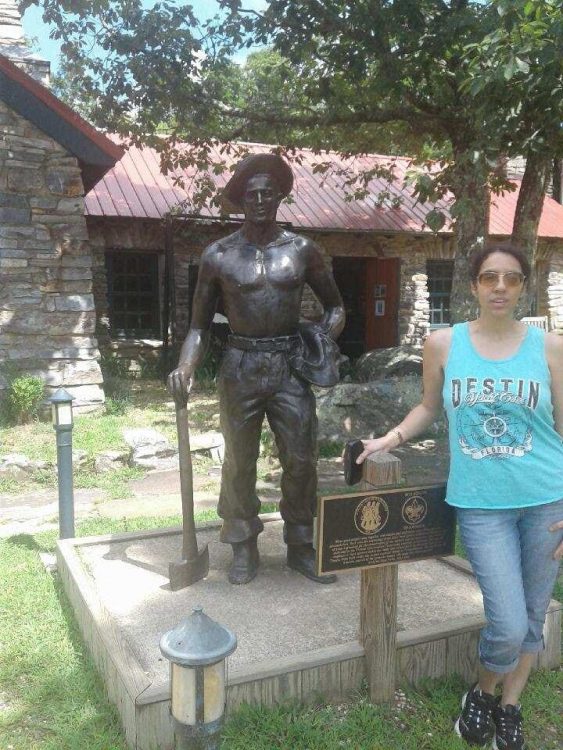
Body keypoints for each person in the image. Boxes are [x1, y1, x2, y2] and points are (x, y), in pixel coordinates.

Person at [357, 244, 563, 750]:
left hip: (548, 499)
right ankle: (483, 690)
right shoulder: (444, 343)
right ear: (473, 285)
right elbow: (429, 406)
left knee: (534, 615)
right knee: (508, 622)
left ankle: (508, 706)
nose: (499, 287)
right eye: (489, 277)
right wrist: (391, 438)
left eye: (511, 279)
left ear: (523, 287)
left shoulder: (551, 348)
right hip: (480, 503)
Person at [167, 153, 345, 586]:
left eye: (268, 192)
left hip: (289, 366)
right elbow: (197, 326)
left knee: (301, 459)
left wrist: (319, 344)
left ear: (281, 196)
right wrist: (185, 367)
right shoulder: (218, 256)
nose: (261, 200)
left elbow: (336, 307)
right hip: (240, 364)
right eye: (252, 194)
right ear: (241, 200)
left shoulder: (303, 250)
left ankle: (302, 545)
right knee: (239, 461)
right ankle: (242, 545)